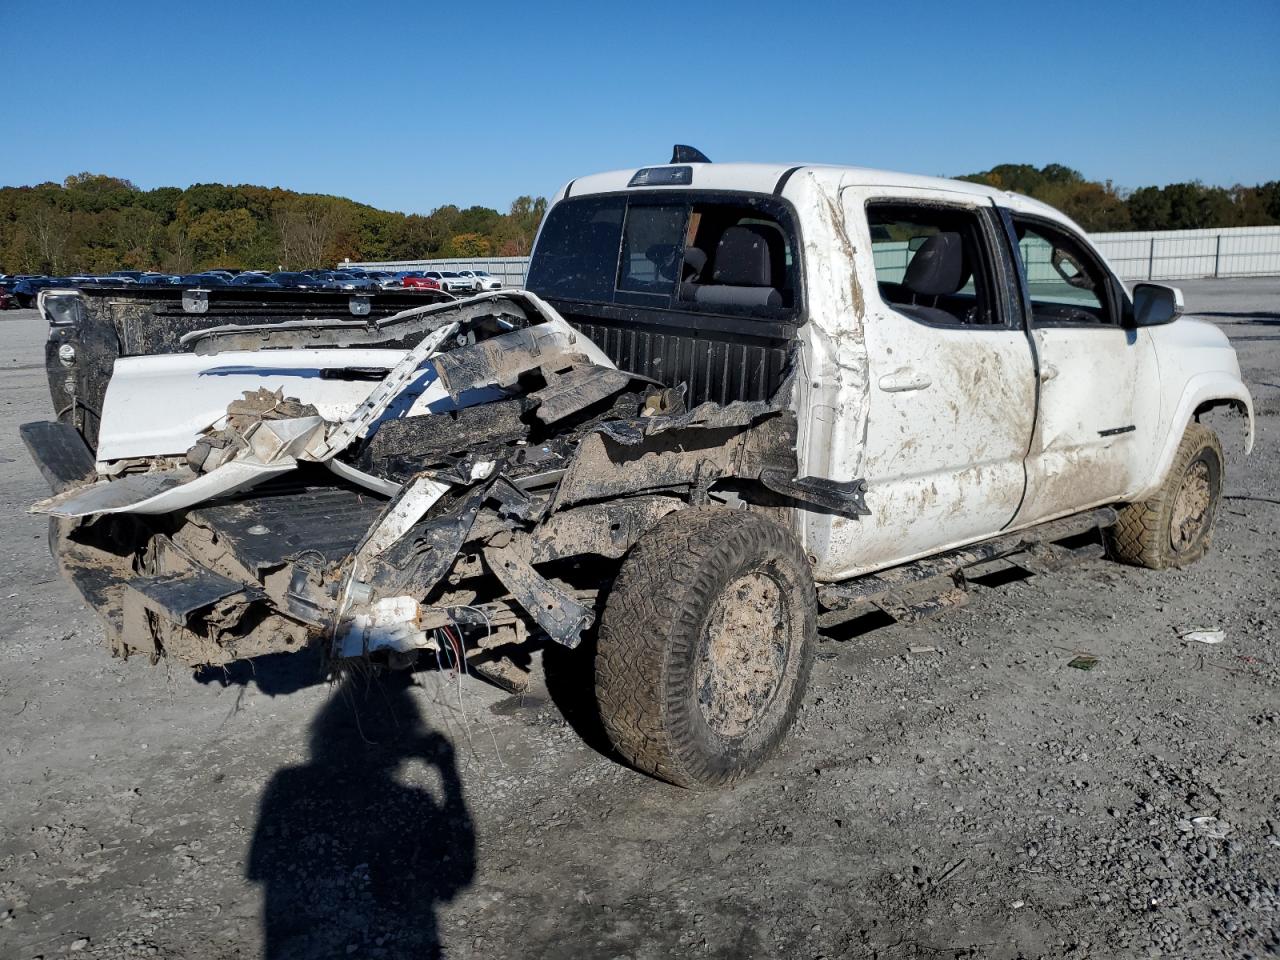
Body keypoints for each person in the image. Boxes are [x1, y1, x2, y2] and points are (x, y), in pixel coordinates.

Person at [248, 671, 475, 959]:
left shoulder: (289, 786)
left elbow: (258, 868)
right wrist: (448, 773)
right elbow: (458, 876)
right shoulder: (413, 804)